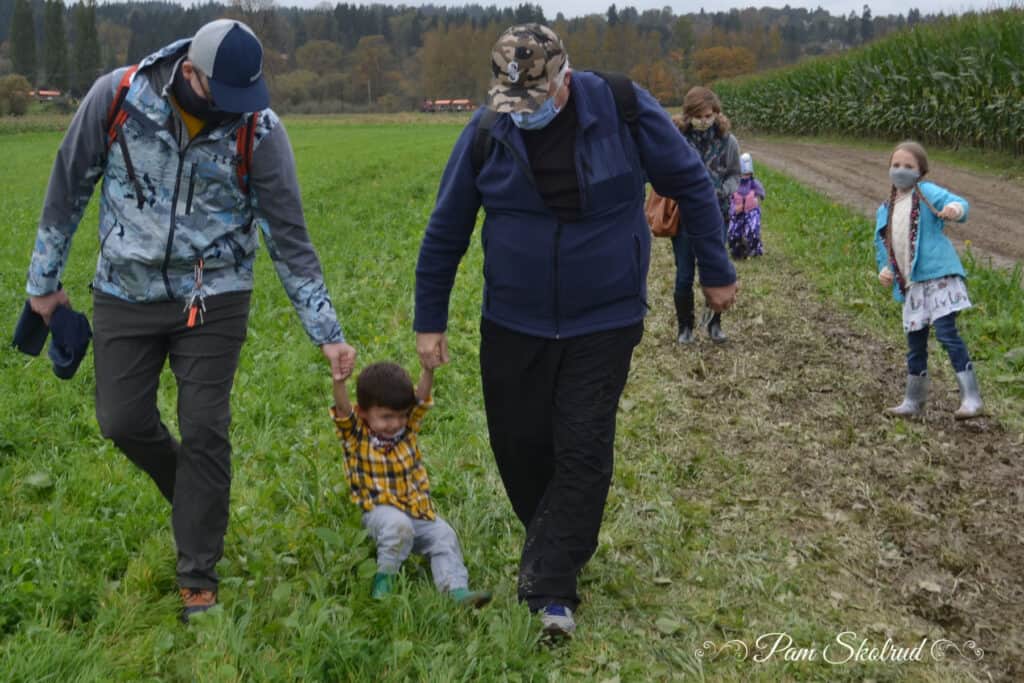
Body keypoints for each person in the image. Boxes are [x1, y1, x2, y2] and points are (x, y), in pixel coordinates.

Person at [23, 19, 356, 623]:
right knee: (120, 420)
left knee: (205, 427)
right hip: (125, 290)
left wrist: (327, 333)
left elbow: (289, 238)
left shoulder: (260, 129)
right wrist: (42, 286)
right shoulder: (119, 96)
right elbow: (67, 187)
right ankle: (195, 497)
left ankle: (197, 574)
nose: (238, 109)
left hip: (215, 296)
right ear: (192, 71)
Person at [413, 23, 737, 638]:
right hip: (513, 320)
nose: (523, 114)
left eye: (534, 100)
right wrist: (430, 320)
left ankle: (550, 587)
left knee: (583, 446)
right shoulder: (488, 129)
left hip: (604, 317)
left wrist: (715, 271)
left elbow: (691, 182)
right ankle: (555, 538)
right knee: (520, 445)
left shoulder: (620, 107)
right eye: (515, 103)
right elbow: (446, 228)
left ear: (564, 80)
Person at [330, 361, 491, 607]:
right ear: (363, 412)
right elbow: (342, 409)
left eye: (401, 415)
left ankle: (455, 589)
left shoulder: (407, 431)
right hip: (379, 513)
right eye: (386, 417)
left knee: (443, 534)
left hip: (415, 510)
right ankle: (384, 582)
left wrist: (428, 370)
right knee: (398, 525)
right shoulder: (356, 435)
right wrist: (339, 381)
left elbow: (422, 398)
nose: (395, 423)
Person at [874, 140, 983, 420]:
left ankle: (971, 397)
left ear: (920, 171)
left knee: (947, 334)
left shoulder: (926, 194)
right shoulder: (885, 208)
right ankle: (913, 400)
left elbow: (959, 204)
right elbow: (885, 244)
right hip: (912, 286)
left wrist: (955, 210)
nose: (901, 170)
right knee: (915, 342)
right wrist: (886, 269)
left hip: (938, 279)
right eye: (896, 165)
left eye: (908, 166)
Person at [671, 88, 741, 344]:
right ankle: (685, 328)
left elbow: (735, 174)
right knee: (684, 274)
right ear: (688, 115)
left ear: (716, 114)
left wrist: (722, 191)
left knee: (713, 269)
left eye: (708, 115)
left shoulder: (727, 141)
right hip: (684, 218)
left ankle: (714, 325)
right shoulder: (677, 139)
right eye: (697, 115)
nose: (703, 120)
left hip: (717, 217)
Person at [727, 152, 766, 259]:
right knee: (733, 233)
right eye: (744, 174)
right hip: (738, 212)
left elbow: (761, 190)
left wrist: (761, 195)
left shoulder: (753, 183)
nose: (746, 176)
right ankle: (736, 248)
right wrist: (733, 209)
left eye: (748, 174)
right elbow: (730, 196)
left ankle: (755, 248)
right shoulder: (735, 183)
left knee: (753, 230)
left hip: (751, 211)